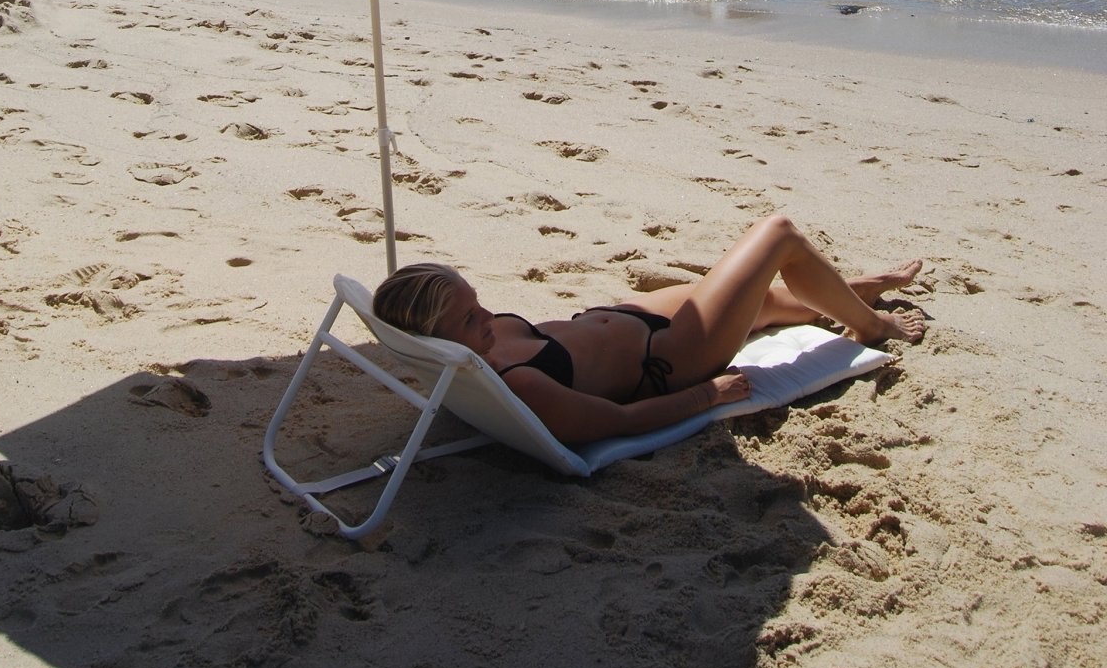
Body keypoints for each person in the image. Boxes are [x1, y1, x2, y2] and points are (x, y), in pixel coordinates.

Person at [373, 214, 926, 445]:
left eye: (479, 303)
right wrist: (707, 394)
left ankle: (863, 287)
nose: (487, 317)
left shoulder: (471, 351)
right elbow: (620, 421)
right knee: (777, 234)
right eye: (471, 318)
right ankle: (872, 325)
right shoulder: (521, 385)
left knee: (768, 302)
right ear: (438, 338)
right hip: (670, 356)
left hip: (631, 319)